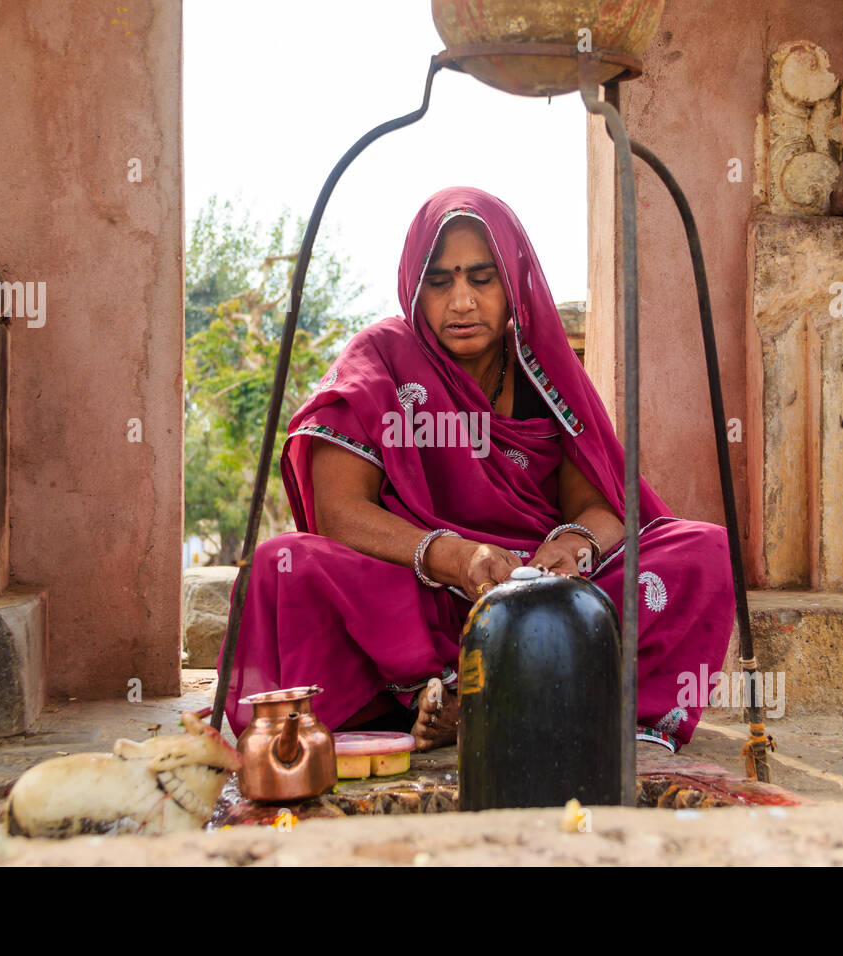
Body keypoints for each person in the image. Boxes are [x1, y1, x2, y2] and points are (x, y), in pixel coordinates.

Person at [221, 186, 734, 754]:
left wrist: (572, 545)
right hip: (420, 590)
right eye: (440, 281)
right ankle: (449, 695)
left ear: (513, 284)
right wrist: (455, 556)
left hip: (529, 595)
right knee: (281, 564)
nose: (461, 301)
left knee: (702, 550)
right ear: (416, 286)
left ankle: (485, 701)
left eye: (481, 279)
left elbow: (603, 505)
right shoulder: (381, 358)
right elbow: (339, 512)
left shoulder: (545, 371)